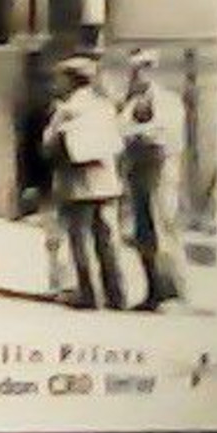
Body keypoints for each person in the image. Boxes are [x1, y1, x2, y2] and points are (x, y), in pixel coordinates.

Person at [42, 55, 126, 310]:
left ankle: (90, 295)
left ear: (70, 81)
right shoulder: (104, 105)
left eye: (61, 79)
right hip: (107, 183)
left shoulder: (66, 110)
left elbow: (49, 146)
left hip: (77, 185)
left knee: (82, 242)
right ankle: (117, 295)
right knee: (109, 241)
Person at [118, 48, 189, 311]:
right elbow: (119, 127)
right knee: (143, 234)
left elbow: (161, 135)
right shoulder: (131, 102)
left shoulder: (168, 101)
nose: (137, 74)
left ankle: (173, 294)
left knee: (163, 230)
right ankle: (153, 290)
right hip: (138, 172)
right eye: (134, 69)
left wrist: (131, 133)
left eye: (144, 68)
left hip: (161, 173)